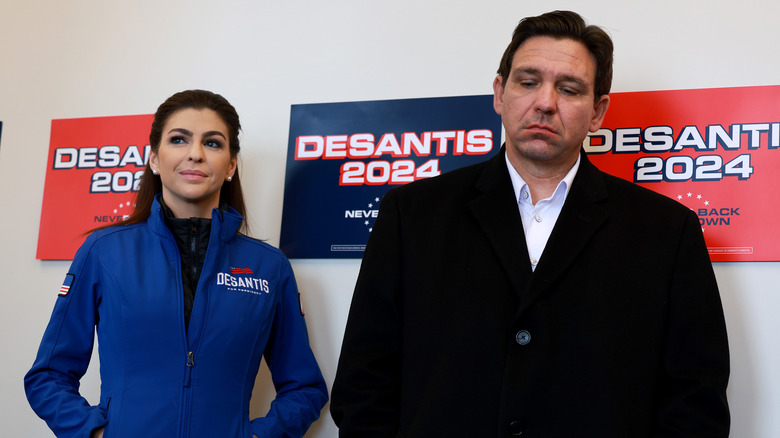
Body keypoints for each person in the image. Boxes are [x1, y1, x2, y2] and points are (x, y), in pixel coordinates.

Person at [330, 10, 730, 437]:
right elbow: (364, 383)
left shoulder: (667, 231)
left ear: (598, 112)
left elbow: (695, 400)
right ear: (500, 93)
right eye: (528, 81)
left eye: (569, 89)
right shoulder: (411, 214)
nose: (545, 102)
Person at [25, 89, 328, 438]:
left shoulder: (269, 268)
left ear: (231, 165)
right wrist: (94, 433)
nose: (195, 154)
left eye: (212, 143)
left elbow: (305, 387)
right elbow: (48, 375)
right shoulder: (104, 252)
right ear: (154, 158)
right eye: (179, 139)